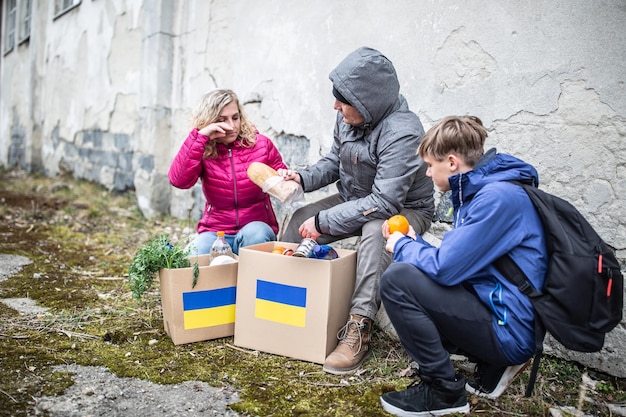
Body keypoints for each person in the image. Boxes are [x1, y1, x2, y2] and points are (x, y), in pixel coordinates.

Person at [279, 47, 435, 375]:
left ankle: (358, 327)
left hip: (404, 209)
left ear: (367, 101)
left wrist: (323, 221)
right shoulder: (348, 116)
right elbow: (334, 160)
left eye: (343, 100)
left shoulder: (403, 131)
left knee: (378, 229)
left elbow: (385, 203)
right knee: (297, 221)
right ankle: (287, 306)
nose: (335, 106)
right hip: (355, 198)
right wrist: (303, 178)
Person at [378, 116, 548, 416]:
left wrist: (403, 246)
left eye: (431, 165)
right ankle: (491, 364)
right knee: (411, 271)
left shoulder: (496, 199)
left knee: (397, 279)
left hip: (509, 329)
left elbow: (445, 270)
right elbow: (459, 265)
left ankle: (443, 392)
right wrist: (415, 244)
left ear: (452, 163)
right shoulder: (481, 193)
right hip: (501, 316)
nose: (428, 173)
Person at [168, 89, 287, 255]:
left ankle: (252, 279)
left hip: (255, 226)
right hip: (216, 231)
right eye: (222, 120)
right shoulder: (203, 149)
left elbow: (282, 178)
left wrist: (285, 177)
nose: (232, 126)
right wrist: (200, 137)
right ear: (210, 121)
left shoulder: (261, 144)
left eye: (235, 117)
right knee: (193, 256)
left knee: (256, 235)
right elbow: (178, 181)